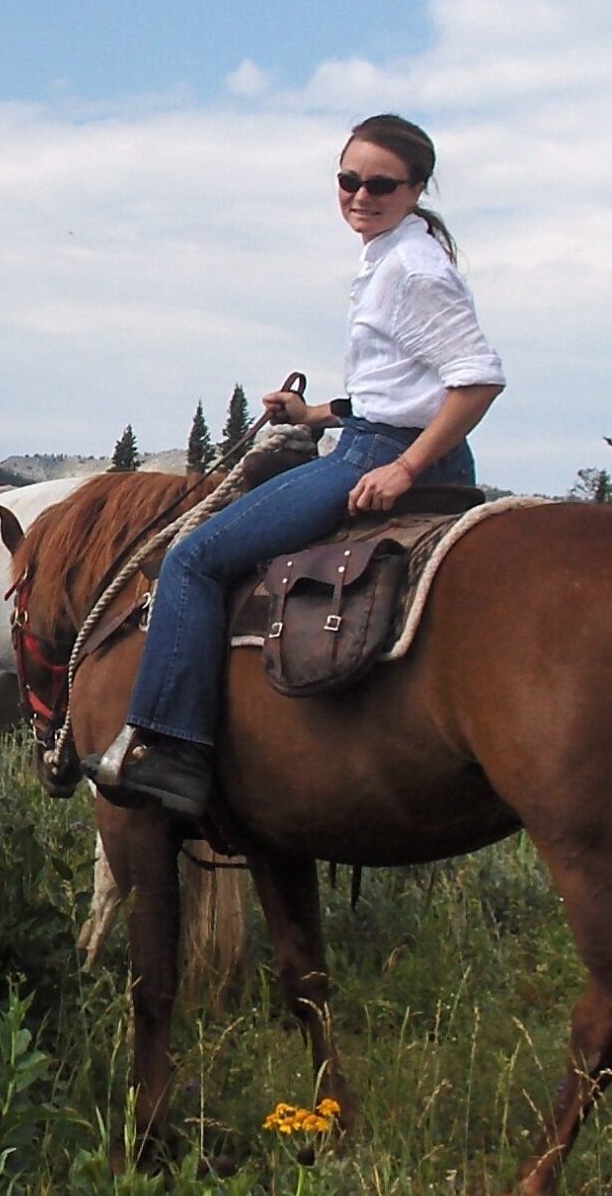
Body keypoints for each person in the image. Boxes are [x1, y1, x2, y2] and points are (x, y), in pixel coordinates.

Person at [84, 113, 506, 818]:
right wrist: (318, 418)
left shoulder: (413, 268)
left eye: (380, 184)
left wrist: (403, 470)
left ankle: (175, 751)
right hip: (374, 433)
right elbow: (404, 387)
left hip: (381, 455)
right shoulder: (394, 254)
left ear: (417, 187)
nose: (360, 195)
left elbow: (477, 379)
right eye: (348, 180)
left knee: (194, 558)